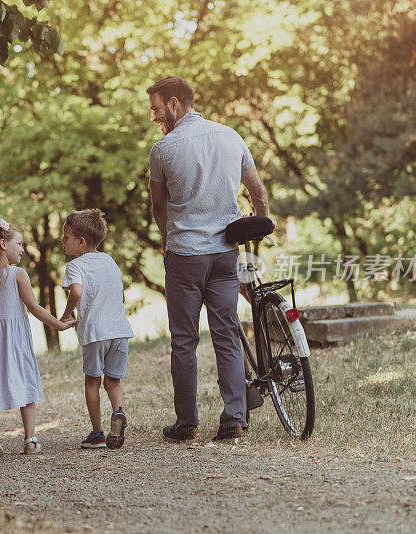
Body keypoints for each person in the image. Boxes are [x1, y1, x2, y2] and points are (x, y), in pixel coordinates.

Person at [146, 76, 270, 441]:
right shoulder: (230, 136)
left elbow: (158, 206)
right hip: (225, 255)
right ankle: (234, 418)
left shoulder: (163, 150)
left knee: (184, 340)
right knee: (227, 335)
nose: (153, 117)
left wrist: (168, 242)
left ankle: (186, 424)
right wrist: (259, 228)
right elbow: (258, 191)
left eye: (156, 109)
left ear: (173, 104)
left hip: (185, 255)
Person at [0, 218, 77, 457]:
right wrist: (59, 325)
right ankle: (30, 440)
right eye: (19, 243)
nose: (22, 249)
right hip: (17, 340)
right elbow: (35, 307)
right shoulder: (18, 274)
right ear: (2, 244)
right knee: (26, 383)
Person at [59, 209, 134, 449]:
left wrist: (67, 314)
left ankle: (98, 433)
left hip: (95, 333)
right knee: (113, 382)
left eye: (66, 237)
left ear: (81, 241)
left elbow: (77, 292)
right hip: (120, 331)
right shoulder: (110, 261)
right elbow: (122, 296)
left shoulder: (75, 266)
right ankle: (118, 412)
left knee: (92, 380)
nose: (62, 241)